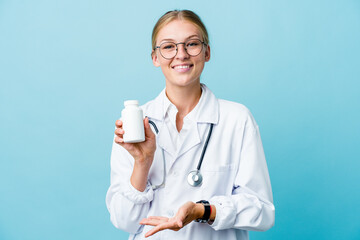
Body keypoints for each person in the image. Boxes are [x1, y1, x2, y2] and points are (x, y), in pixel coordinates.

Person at [106, 9, 275, 240]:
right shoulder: (134, 123)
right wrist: (142, 162)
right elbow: (124, 220)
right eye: (168, 46)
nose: (181, 54)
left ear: (207, 52)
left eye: (192, 44)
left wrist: (203, 210)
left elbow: (262, 211)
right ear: (155, 58)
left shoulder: (237, 119)